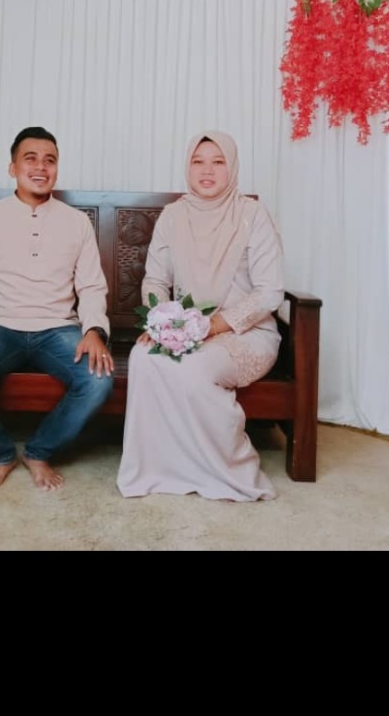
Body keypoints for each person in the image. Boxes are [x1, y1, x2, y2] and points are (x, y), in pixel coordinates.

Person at [0, 126, 115, 492]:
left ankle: (39, 452)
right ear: (13, 167)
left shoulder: (76, 222)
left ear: (57, 168)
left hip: (58, 328)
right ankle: (1, 454)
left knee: (98, 379)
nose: (41, 167)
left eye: (49, 160)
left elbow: (90, 286)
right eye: (30, 158)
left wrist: (94, 330)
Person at [117, 132, 284, 503]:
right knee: (144, 357)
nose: (207, 171)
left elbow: (270, 292)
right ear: (187, 167)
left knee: (195, 367)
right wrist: (162, 322)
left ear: (232, 167)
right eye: (198, 161)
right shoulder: (173, 215)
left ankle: (225, 469)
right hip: (185, 328)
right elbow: (156, 279)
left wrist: (211, 327)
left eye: (218, 162)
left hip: (246, 333)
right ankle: (160, 469)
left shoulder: (252, 215)